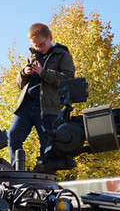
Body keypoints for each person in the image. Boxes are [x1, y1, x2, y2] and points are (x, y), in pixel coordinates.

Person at [8, 22, 75, 165]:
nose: (38, 48)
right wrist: (24, 73)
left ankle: (45, 170)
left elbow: (68, 79)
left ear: (50, 37)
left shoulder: (62, 55)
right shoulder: (33, 55)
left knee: (47, 143)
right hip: (26, 105)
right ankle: (16, 170)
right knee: (13, 136)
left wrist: (43, 73)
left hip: (47, 107)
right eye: (34, 45)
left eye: (41, 45)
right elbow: (19, 84)